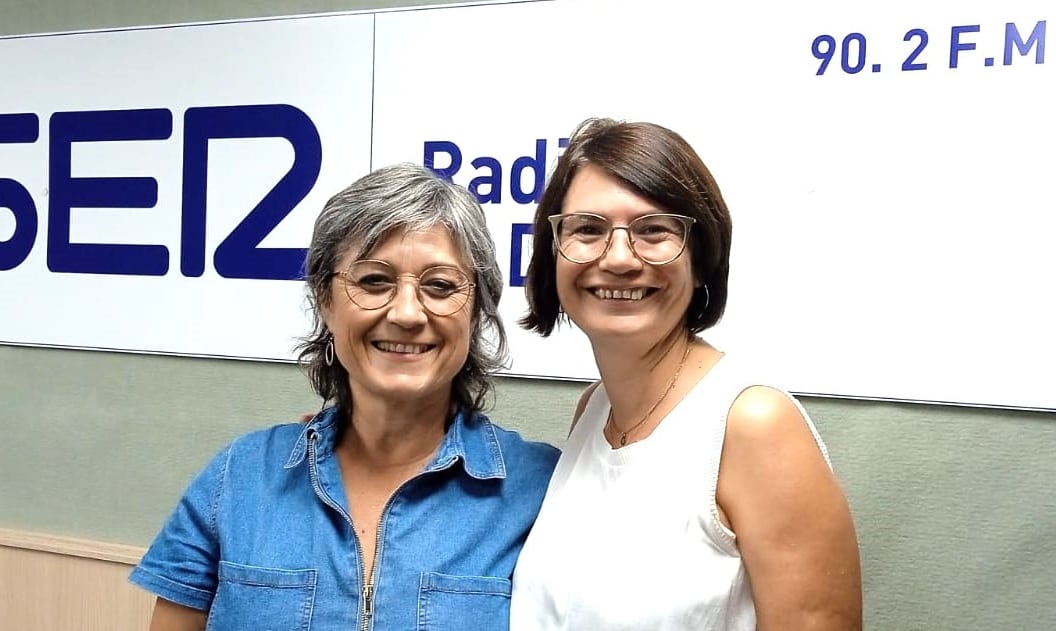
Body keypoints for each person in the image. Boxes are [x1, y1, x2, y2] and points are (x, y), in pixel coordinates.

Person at [129, 163, 560, 630]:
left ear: (475, 312)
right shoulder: (239, 479)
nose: (407, 313)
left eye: (440, 285)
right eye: (375, 281)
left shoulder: (540, 490)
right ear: (324, 301)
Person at [510, 118, 863, 630]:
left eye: (654, 231)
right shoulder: (595, 408)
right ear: (553, 252)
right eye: (588, 229)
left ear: (701, 261)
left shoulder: (753, 424)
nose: (619, 258)